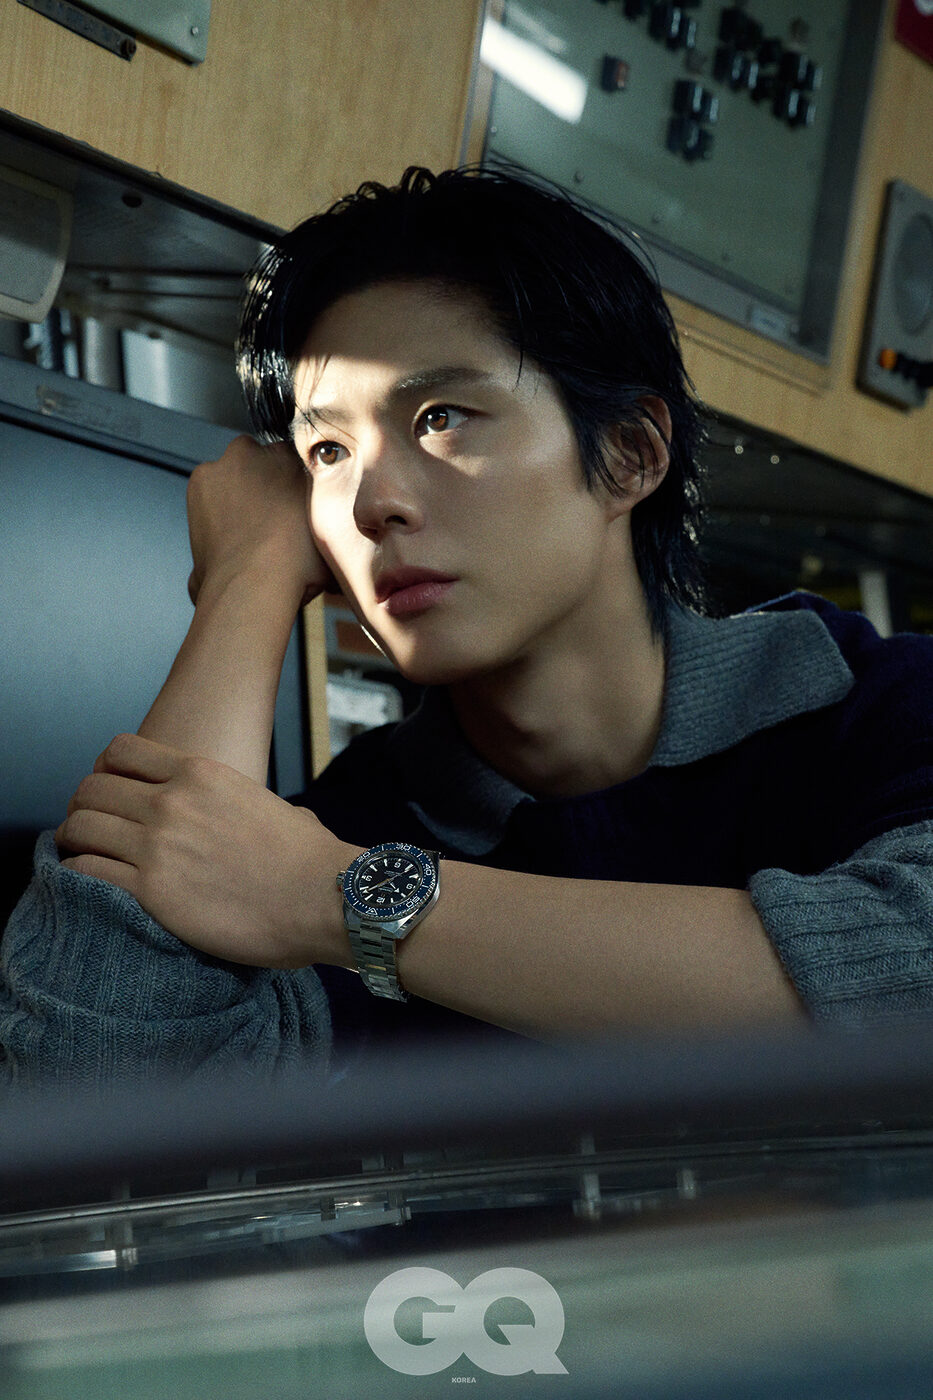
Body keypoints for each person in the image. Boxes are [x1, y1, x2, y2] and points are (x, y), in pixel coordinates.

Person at [2, 166, 933, 1088]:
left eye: (441, 417)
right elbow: (89, 1095)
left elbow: (906, 977)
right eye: (327, 451)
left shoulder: (885, 708)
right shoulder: (336, 826)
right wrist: (246, 580)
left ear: (629, 454)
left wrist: (337, 898)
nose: (372, 503)